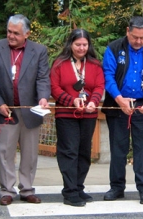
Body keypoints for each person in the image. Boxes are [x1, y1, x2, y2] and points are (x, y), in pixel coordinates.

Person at [0, 14, 51, 206]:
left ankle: (27, 189)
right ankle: (7, 190)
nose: (11, 36)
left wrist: (43, 97)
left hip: (30, 109)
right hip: (6, 108)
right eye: (9, 31)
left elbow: (42, 78)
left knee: (30, 153)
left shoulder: (39, 51)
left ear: (27, 34)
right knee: (5, 151)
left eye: (16, 33)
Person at [102, 16, 143, 205]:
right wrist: (119, 99)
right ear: (128, 31)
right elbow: (108, 75)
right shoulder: (113, 48)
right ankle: (117, 187)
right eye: (135, 37)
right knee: (118, 148)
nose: (138, 42)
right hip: (119, 105)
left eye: (142, 38)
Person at [50, 29, 105, 206]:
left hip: (88, 113)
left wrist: (93, 102)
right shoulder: (60, 63)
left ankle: (79, 187)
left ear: (89, 45)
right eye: (77, 44)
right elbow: (55, 88)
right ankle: (69, 191)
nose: (81, 48)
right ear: (70, 44)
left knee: (83, 152)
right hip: (66, 114)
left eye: (84, 44)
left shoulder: (95, 65)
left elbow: (99, 86)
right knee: (69, 151)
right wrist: (71, 100)